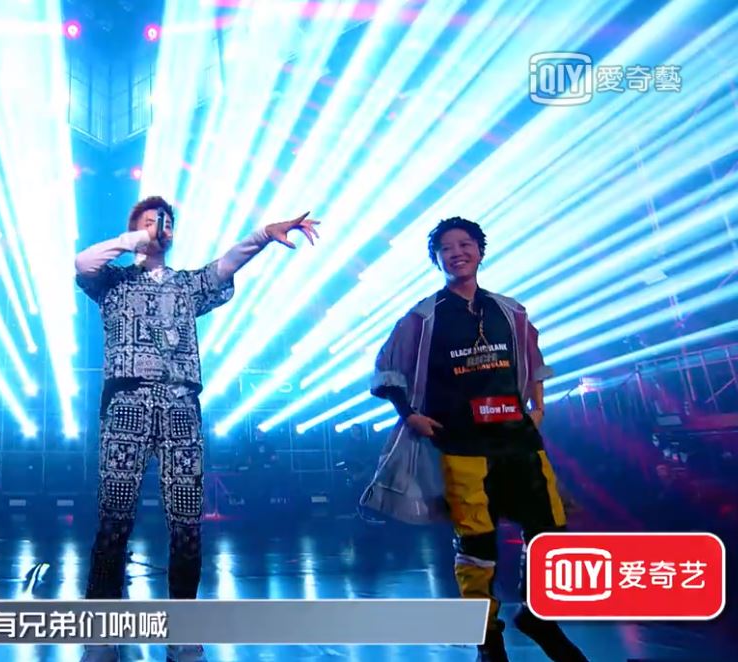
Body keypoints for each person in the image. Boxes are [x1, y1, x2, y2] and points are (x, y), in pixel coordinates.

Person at [74, 196, 318, 662]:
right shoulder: (114, 283)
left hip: (181, 405)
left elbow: (225, 267)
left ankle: (182, 629)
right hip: (126, 404)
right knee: (114, 519)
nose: (159, 229)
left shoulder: (186, 285)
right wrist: (136, 238)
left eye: (165, 224)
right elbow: (83, 262)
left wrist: (263, 235)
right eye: (150, 222)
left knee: (186, 522)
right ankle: (102, 630)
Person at [361, 217, 587, 662]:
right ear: (437, 260)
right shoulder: (423, 317)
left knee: (551, 531)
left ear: (480, 252)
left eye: (465, 244)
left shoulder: (509, 311)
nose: (457, 253)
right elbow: (387, 370)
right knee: (477, 540)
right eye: (446, 248)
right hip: (461, 443)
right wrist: (410, 416)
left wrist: (538, 407)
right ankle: (486, 634)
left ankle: (538, 615)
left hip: (518, 438)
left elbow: (534, 362)